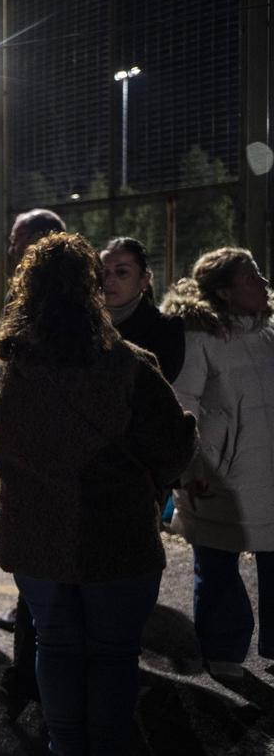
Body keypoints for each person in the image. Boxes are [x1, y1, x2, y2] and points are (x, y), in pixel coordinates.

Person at [0, 232, 196, 755]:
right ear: (91, 291)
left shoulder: (5, 368)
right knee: (112, 653)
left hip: (35, 539)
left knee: (54, 644)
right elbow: (173, 448)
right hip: (115, 537)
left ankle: (65, 745)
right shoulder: (129, 365)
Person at [161, 247, 274, 680]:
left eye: (260, 274)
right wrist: (190, 469)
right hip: (219, 474)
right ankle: (223, 650)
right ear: (224, 292)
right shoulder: (200, 339)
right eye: (250, 277)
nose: (262, 284)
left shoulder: (268, 333)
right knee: (218, 563)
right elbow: (181, 406)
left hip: (267, 470)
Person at [0, 209, 67, 635]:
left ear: (38, 240)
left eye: (16, 238)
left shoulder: (27, 300)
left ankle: (32, 632)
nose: (10, 247)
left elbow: (1, 378)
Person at [101, 237, 185, 382]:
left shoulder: (166, 329)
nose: (108, 281)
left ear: (144, 280)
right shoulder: (85, 325)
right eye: (103, 272)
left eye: (122, 272)